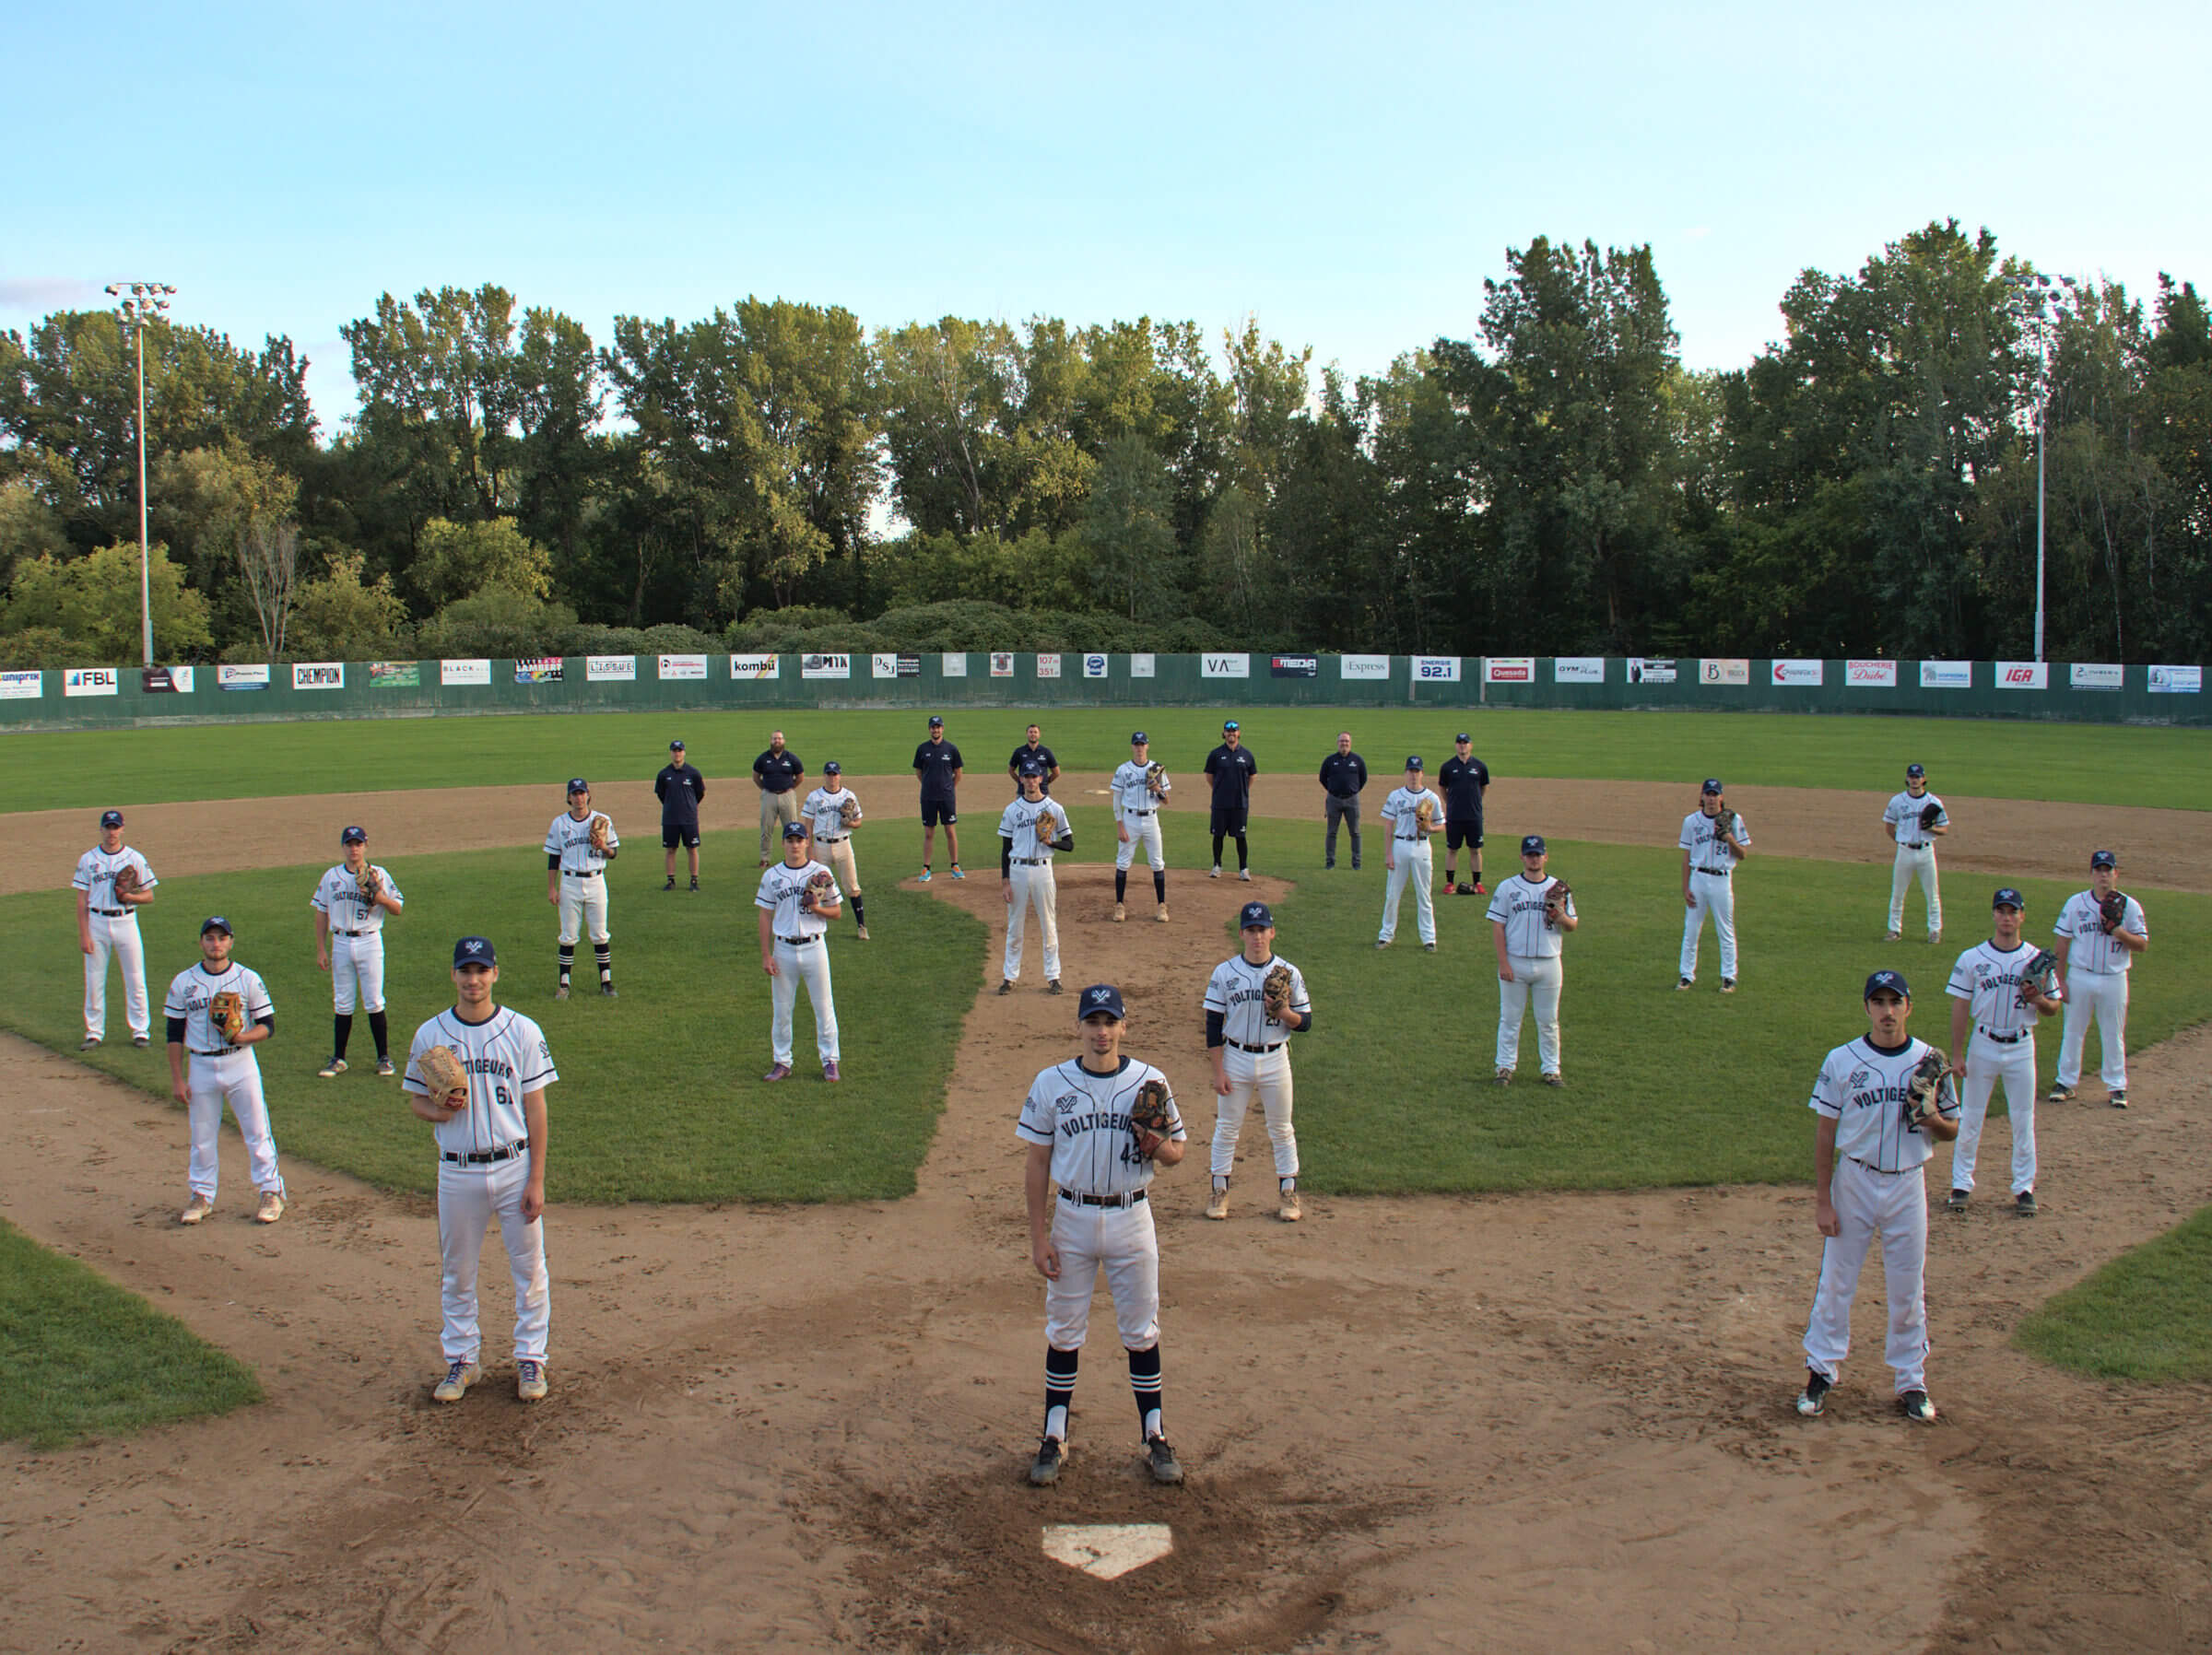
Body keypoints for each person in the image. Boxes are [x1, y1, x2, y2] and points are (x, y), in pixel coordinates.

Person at [1018, 982, 1189, 1487]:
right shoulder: (1050, 1084)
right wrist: (1037, 1237)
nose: (1101, 1032)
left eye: (1109, 1022)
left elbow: (1178, 1153)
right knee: (1064, 1330)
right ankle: (1054, 1435)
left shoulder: (1149, 1081)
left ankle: (1154, 1436)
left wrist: (1156, 1145)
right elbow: (1037, 1163)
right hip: (1070, 1219)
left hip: (1132, 1218)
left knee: (1142, 1332)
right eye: (1093, 1022)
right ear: (1079, 1027)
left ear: (1123, 1026)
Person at [1795, 969, 1960, 1426]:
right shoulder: (1841, 1061)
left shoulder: (1930, 1061)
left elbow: (1952, 1128)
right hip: (1856, 1182)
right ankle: (1821, 1371)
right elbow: (1825, 1133)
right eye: (1879, 1003)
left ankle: (1911, 1379)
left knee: (1908, 1288)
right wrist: (1823, 1200)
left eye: (1895, 1002)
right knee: (1837, 1281)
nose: (1887, 1012)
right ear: (1867, 1008)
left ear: (1908, 1007)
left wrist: (1931, 1120)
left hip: (1909, 1183)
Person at [404, 935, 558, 1404]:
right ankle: (462, 1360)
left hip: (513, 1166)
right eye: (465, 971)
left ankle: (531, 1358)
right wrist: (440, 1111)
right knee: (457, 1272)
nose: (473, 980)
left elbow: (537, 1110)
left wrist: (536, 1178)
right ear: (454, 975)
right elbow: (415, 1100)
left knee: (529, 1268)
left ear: (495, 974)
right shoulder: (430, 1034)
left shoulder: (523, 1031)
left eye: (481, 971)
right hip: (457, 1171)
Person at [1945, 888, 2063, 1216]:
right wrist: (1957, 1054)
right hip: (1983, 1043)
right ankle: (1961, 1184)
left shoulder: (2035, 959)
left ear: (2022, 916)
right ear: (1994, 915)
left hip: (2022, 1045)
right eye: (2002, 911)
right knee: (1971, 1116)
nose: (2007, 918)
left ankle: (2024, 1188)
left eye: (2013, 912)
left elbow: (2054, 1006)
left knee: (2023, 1119)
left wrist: (2038, 999)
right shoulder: (1973, 958)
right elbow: (1960, 1006)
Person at [164, 916, 286, 1225]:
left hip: (240, 1062)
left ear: (231, 942)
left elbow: (268, 1026)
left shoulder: (248, 979)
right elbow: (173, 1033)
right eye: (210, 938)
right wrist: (178, 1078)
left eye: (221, 938)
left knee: (257, 1130)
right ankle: (201, 1195)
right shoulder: (183, 982)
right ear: (201, 942)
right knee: (202, 1136)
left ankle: (271, 1192)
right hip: (201, 1065)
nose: (216, 944)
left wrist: (244, 1037)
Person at [1203, 901, 1313, 1222]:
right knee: (1227, 1128)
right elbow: (1212, 1025)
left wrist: (1284, 1014)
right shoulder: (1224, 973)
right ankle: (1219, 1192)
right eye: (1251, 931)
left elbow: (1305, 1022)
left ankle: (1289, 1194)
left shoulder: (1289, 973)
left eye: (1262, 930)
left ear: (1272, 932)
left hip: (1276, 1058)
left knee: (1281, 1129)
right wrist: (1218, 1070)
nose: (1257, 937)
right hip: (1235, 1057)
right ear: (1241, 934)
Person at [2047, 850, 2149, 1108]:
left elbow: (2141, 944)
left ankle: (2117, 1087)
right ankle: (2066, 1083)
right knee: (2073, 1031)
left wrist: (2117, 931)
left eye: (2108, 870)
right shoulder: (2075, 904)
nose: (2104, 875)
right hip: (2080, 975)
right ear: (2092, 873)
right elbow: (2062, 944)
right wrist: (2060, 981)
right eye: (2099, 870)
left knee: (2113, 1033)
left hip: (2115, 978)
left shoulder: (2130, 906)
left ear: (2116, 873)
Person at [312, 826, 405, 1078]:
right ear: (343, 847)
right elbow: (321, 912)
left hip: (370, 941)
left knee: (374, 1000)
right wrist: (321, 948)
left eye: (358, 844)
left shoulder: (380, 874)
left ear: (365, 845)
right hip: (340, 942)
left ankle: (383, 1058)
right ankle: (339, 1058)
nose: (354, 849)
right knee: (342, 1001)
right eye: (349, 844)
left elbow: (397, 909)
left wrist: (379, 896)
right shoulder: (331, 877)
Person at [1487, 835, 1578, 1086]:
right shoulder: (1507, 887)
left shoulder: (1558, 888)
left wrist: (1560, 916)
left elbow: (1572, 925)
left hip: (1549, 963)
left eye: (1538, 855)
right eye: (1530, 854)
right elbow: (1497, 926)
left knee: (1548, 1020)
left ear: (1546, 857)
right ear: (1522, 857)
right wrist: (1503, 963)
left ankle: (1551, 1069)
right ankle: (1504, 1067)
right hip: (1515, 962)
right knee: (1510, 1018)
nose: (1534, 859)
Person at [756, 820, 842, 1082]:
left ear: (807, 842)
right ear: (783, 843)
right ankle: (782, 1061)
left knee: (824, 1006)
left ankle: (830, 1060)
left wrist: (817, 908)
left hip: (815, 946)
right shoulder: (772, 876)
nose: (795, 845)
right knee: (782, 1009)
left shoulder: (821, 872)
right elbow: (764, 916)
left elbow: (837, 912)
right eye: (790, 840)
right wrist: (766, 954)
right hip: (783, 949)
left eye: (799, 840)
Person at [74, 807, 158, 1050]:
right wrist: (84, 934)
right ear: (101, 829)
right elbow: (81, 900)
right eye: (108, 827)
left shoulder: (134, 858)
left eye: (116, 827)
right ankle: (94, 1032)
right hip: (97, 923)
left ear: (122, 829)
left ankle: (141, 1031)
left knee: (135, 978)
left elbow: (150, 895)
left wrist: (130, 895)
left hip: (126, 922)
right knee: (94, 979)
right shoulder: (88, 859)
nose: (112, 832)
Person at [998, 761, 1072, 995]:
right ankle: (1010, 977)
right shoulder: (1012, 810)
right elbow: (1005, 848)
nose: (1030, 780)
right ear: (1020, 779)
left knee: (1048, 924)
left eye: (1034, 776)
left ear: (1042, 778)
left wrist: (1052, 843)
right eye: (1026, 776)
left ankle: (1053, 976)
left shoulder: (1054, 809)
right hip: (1017, 869)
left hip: (1043, 870)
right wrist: (1005, 881)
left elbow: (1070, 844)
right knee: (1014, 927)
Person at [545, 778, 619, 1000]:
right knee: (568, 935)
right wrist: (551, 888)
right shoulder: (559, 824)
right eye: (574, 794)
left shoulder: (602, 820)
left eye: (581, 793)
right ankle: (564, 984)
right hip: (569, 883)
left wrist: (603, 847)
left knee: (600, 934)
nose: (578, 798)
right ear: (568, 797)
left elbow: (614, 853)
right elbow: (553, 858)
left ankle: (606, 982)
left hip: (596, 881)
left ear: (588, 795)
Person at [1677, 778, 1751, 992]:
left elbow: (1743, 854)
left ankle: (1729, 977)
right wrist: (1685, 888)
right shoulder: (1691, 822)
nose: (1711, 798)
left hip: (1722, 879)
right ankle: (1686, 975)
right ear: (1701, 797)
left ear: (1722, 797)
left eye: (1715, 794)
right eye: (1707, 794)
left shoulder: (1733, 820)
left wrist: (1729, 837)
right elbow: (1686, 857)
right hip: (1698, 879)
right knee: (1691, 930)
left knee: (1725, 930)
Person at [1375, 757, 1440, 951]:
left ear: (1422, 773)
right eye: (1410, 771)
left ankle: (1429, 938)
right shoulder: (1395, 796)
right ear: (1405, 773)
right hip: (1400, 845)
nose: (1413, 775)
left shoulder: (1431, 797)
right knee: (1392, 894)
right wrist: (1388, 854)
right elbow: (1388, 826)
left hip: (1422, 846)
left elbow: (1442, 825)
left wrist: (1429, 827)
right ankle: (1386, 935)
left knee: (1424, 895)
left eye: (1417, 771)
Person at [802, 761, 870, 940]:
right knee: (817, 888)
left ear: (840, 775)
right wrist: (809, 852)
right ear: (824, 776)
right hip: (820, 846)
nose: (832, 777)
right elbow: (807, 826)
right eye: (829, 774)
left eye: (835, 774)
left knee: (852, 887)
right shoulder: (814, 797)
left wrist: (850, 823)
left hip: (843, 845)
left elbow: (859, 822)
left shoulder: (849, 796)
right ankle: (816, 929)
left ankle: (861, 926)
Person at [1110, 731, 1171, 923]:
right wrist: (1120, 825)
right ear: (1132, 747)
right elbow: (1116, 799)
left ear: (1147, 746)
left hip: (1151, 819)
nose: (1139, 748)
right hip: (1130, 820)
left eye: (1142, 744)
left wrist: (1158, 789)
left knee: (1157, 862)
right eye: (1136, 744)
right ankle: (1119, 905)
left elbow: (1167, 800)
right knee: (1123, 862)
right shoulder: (1123, 770)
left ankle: (1162, 906)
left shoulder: (1157, 769)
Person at [1882, 762, 1947, 943]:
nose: (1914, 780)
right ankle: (1894, 930)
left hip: (1927, 851)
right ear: (1906, 779)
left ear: (1924, 779)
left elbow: (1945, 828)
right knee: (1898, 893)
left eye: (1918, 777)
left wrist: (1932, 830)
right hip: (1904, 851)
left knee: (1932, 894)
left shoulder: (1934, 802)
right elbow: (1889, 826)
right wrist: (1901, 841)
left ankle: (1934, 931)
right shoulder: (1897, 801)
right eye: (1911, 777)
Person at [1202, 719, 1258, 880]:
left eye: (1234, 731)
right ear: (1224, 733)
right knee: (1218, 835)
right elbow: (1209, 776)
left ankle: (1243, 869)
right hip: (1220, 803)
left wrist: (1243, 790)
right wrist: (1219, 790)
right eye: (1228, 731)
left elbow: (1252, 775)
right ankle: (1217, 866)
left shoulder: (1246, 754)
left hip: (1240, 803)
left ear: (1238, 733)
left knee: (1240, 836)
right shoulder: (1216, 754)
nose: (1231, 734)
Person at [1439, 733, 1492, 895]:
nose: (1462, 745)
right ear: (1456, 745)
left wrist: (1475, 802)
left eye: (1465, 742)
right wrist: (1451, 802)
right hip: (1454, 816)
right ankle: (1449, 883)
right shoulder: (1447, 767)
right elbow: (1443, 787)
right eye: (1459, 742)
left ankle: (1478, 883)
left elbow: (1484, 787)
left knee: (1475, 850)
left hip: (1474, 816)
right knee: (1452, 849)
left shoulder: (1480, 766)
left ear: (1471, 745)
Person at [912, 714, 964, 881]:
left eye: (938, 727)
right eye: (933, 727)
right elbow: (919, 772)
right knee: (929, 833)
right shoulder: (922, 749)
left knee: (950, 830)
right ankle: (926, 868)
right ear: (929, 729)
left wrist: (948, 788)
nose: (936, 730)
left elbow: (958, 773)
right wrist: (929, 785)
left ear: (943, 728)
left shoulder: (951, 749)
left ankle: (955, 866)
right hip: (928, 797)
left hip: (947, 797)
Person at [656, 738, 707, 891]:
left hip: (689, 819)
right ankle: (671, 880)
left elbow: (699, 793)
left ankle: (694, 880)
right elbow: (661, 795)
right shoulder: (664, 774)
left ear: (684, 752)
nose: (677, 754)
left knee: (692, 849)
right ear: (671, 753)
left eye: (679, 751)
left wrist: (689, 806)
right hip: (670, 818)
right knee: (670, 849)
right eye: (674, 751)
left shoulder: (693, 773)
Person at [751, 730, 805, 867]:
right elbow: (756, 776)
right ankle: (765, 858)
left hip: (787, 795)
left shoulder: (791, 758)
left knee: (792, 829)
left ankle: (793, 857)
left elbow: (800, 776)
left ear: (784, 741)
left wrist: (790, 788)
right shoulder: (763, 758)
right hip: (769, 796)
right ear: (771, 741)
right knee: (766, 829)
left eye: (780, 739)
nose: (777, 741)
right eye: (775, 739)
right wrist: (765, 788)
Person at [1316, 732, 1367, 872]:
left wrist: (1353, 790)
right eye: (1342, 741)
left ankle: (1356, 863)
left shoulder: (1357, 760)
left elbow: (1363, 779)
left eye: (1346, 741)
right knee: (1332, 832)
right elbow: (1322, 778)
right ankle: (1330, 862)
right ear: (1337, 743)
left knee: (1355, 832)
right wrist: (1332, 790)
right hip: (1334, 800)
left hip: (1352, 800)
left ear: (1350, 743)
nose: (1344, 744)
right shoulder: (1330, 760)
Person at [1007, 722, 1060, 795]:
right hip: (1023, 793)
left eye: (1035, 732)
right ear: (1027, 734)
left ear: (1039, 734)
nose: (1033, 734)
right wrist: (1021, 781)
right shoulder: (1019, 751)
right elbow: (1011, 770)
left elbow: (1056, 772)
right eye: (1031, 732)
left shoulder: (1046, 752)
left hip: (1042, 792)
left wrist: (1044, 782)